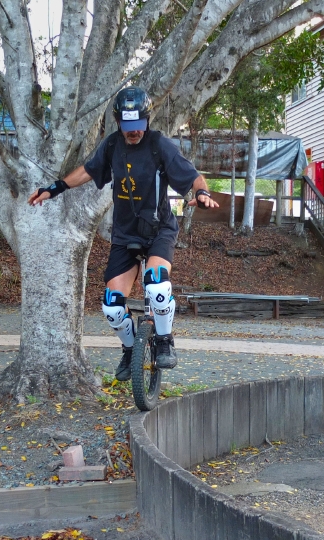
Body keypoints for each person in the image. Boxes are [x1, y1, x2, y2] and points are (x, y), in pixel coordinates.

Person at [28, 86, 218, 380]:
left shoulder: (159, 145)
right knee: (112, 306)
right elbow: (88, 170)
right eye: (128, 127)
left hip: (158, 231)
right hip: (125, 234)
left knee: (156, 284)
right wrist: (54, 189)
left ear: (146, 120)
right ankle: (130, 351)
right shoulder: (112, 145)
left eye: (139, 126)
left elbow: (192, 176)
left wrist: (202, 192)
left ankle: (165, 341)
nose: (134, 133)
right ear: (118, 123)